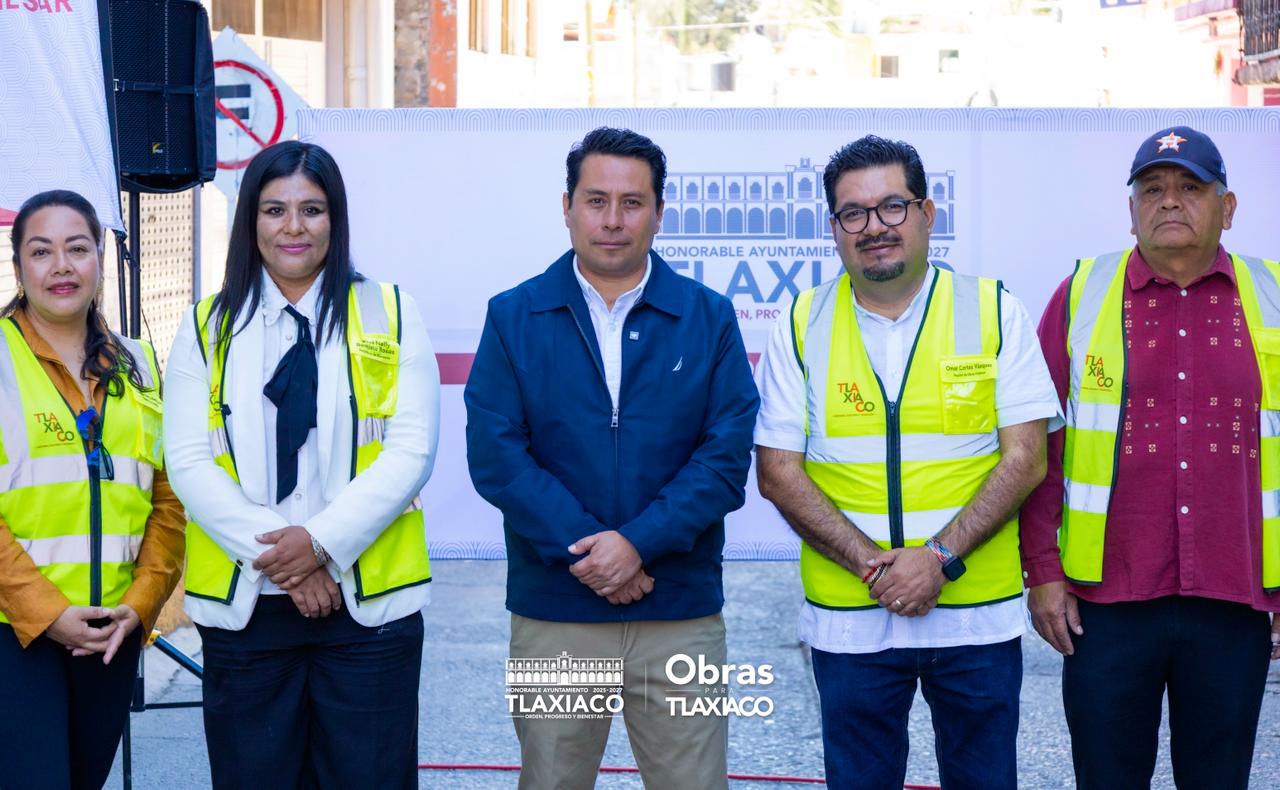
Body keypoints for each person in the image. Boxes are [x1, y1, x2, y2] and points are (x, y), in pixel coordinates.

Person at [754, 135, 1062, 790]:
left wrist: (937, 560)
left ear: (927, 213)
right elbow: (778, 470)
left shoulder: (995, 310)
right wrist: (878, 569)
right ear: (833, 227)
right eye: (854, 213)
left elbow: (1027, 458)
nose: (875, 227)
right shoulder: (801, 322)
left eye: (892, 206)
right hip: (850, 622)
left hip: (976, 618)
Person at [464, 126, 758, 789]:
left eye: (632, 203)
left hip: (678, 614)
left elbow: (724, 456)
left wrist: (639, 545)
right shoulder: (514, 315)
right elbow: (498, 456)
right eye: (596, 200)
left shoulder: (708, 317)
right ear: (566, 205)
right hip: (557, 613)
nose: (613, 221)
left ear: (659, 210)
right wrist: (595, 554)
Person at [163, 141, 440, 789]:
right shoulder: (206, 327)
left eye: (312, 210)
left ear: (336, 220)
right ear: (250, 222)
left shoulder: (391, 313)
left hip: (369, 615)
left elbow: (412, 449)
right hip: (250, 610)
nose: (293, 227)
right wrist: (290, 565)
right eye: (274, 209)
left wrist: (320, 544)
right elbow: (188, 460)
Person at [1022, 126, 1279, 790]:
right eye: (1153, 189)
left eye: (1191, 188)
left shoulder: (1273, 298)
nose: (1171, 202)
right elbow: (1040, 446)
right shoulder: (1081, 295)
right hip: (1106, 602)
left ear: (1228, 208)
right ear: (1130, 207)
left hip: (1237, 596)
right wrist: (1044, 574)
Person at [0, 190, 184, 789]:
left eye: (77, 248)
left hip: (110, 633)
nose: (61, 266)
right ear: (18, 266)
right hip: (15, 634)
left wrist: (140, 605)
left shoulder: (139, 363)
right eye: (41, 251)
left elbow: (168, 500)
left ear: (101, 258)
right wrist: (48, 614)